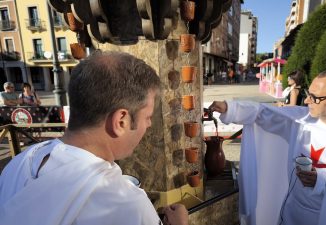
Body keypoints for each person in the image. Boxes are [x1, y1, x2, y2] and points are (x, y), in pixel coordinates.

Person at [0, 52, 189, 225]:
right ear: (121, 121)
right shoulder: (127, 205)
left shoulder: (17, 165)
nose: (148, 125)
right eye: (148, 117)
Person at [209, 68, 326, 225]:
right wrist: (230, 108)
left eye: (315, 97)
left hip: (325, 217)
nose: (306, 101)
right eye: (308, 94)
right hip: (291, 211)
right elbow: (265, 113)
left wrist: (321, 183)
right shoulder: (303, 119)